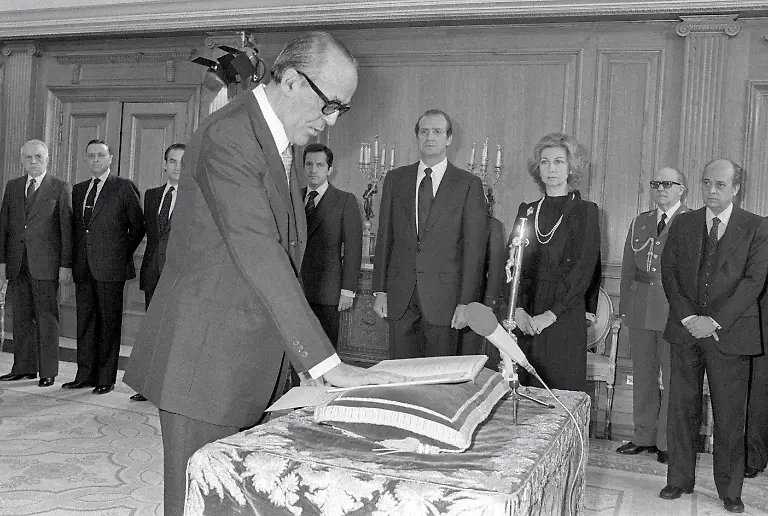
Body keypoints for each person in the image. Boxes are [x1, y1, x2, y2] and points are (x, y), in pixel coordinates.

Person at [121, 32, 402, 516]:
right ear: (292, 81)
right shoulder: (230, 134)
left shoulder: (276, 142)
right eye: (329, 104)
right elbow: (259, 251)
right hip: (206, 367)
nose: (330, 122)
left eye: (341, 110)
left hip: (252, 362)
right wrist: (324, 363)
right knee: (199, 505)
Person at [660, 159, 768, 514]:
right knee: (681, 409)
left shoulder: (756, 227)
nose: (712, 191)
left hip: (731, 334)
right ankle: (678, 479)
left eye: (720, 185)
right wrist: (690, 317)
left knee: (729, 414)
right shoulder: (685, 223)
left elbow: (754, 281)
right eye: (707, 183)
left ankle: (729, 489)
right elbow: (670, 272)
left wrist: (714, 321)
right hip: (686, 329)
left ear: (736, 188)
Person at [372, 109, 487, 358]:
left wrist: (466, 303)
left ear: (448, 139)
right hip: (400, 296)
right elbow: (384, 238)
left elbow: (474, 250)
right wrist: (380, 290)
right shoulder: (395, 179)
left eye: (437, 131)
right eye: (424, 132)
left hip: (445, 299)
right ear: (417, 137)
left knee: (438, 381)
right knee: (399, 376)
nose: (430, 137)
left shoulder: (468, 184)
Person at [511, 132, 600, 392]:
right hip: (525, 316)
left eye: (559, 162)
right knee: (524, 393)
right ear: (537, 168)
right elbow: (513, 264)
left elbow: (583, 270)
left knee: (559, 396)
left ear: (571, 167)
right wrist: (518, 310)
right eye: (545, 161)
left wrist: (550, 315)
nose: (551, 168)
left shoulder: (585, 211)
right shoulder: (526, 211)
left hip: (563, 315)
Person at [616, 167, 690, 464]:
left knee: (673, 378)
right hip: (640, 306)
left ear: (681, 189)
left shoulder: (692, 222)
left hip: (675, 310)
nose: (661, 189)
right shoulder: (640, 222)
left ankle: (667, 442)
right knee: (643, 375)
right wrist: (624, 309)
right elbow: (626, 268)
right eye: (656, 183)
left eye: (668, 184)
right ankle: (643, 435)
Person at [62, 139, 145, 395]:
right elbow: (79, 229)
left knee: (109, 323)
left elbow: (138, 226)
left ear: (110, 158)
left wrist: (120, 254)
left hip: (111, 268)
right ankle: (84, 374)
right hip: (84, 267)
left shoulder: (123, 187)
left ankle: (105, 378)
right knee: (85, 322)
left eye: (100, 155)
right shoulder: (78, 189)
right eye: (91, 156)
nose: (95, 160)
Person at [0, 139, 73, 387]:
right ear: (22, 160)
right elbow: (4, 227)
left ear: (47, 159)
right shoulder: (13, 186)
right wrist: (2, 261)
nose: (33, 162)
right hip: (17, 263)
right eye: (28, 157)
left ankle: (47, 371)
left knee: (46, 318)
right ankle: (23, 368)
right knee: (20, 318)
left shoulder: (59, 187)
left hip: (46, 265)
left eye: (38, 157)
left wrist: (65, 265)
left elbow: (66, 229)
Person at [130, 143, 185, 402]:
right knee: (152, 331)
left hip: (181, 275)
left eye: (182, 162)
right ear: (165, 164)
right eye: (172, 161)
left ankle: (171, 389)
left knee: (176, 333)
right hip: (153, 271)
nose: (177, 167)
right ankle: (148, 386)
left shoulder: (198, 197)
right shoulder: (151, 195)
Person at [300, 143, 362, 347]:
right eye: (309, 164)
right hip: (295, 290)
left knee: (324, 352)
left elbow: (353, 250)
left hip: (327, 292)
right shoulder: (293, 198)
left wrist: (348, 290)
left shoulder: (345, 200)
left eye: (319, 165)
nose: (313, 169)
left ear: (330, 169)